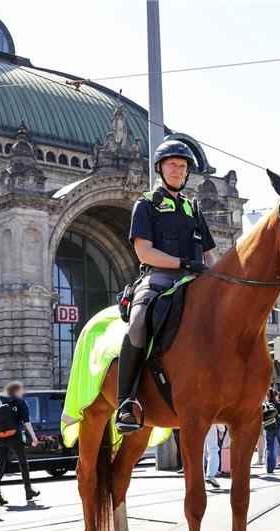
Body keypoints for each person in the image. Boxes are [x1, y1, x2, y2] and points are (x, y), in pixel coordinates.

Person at [115, 140, 219, 432]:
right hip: (159, 278)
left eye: (183, 166)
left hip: (195, 279)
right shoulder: (146, 204)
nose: (178, 170)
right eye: (172, 165)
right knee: (138, 322)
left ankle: (254, 398)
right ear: (160, 168)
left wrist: (218, 279)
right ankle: (126, 403)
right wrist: (182, 264)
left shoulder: (193, 208)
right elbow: (145, 252)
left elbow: (210, 255)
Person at [0, 381, 40, 505]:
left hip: (2, 438)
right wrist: (34, 437)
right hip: (15, 437)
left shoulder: (3, 402)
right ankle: (28, 491)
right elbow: (26, 422)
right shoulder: (21, 403)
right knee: (23, 464)